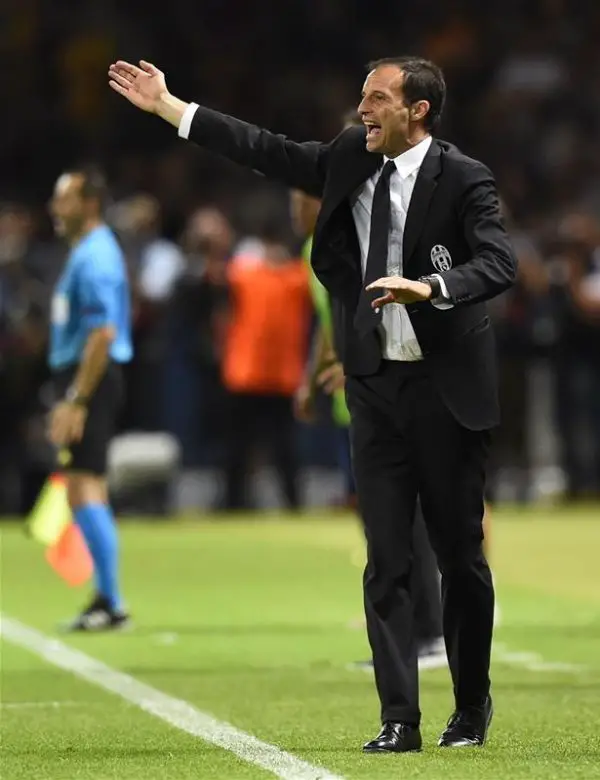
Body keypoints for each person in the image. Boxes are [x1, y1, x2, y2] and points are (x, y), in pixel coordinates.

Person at [108, 55, 517, 751]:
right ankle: (399, 719)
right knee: (386, 558)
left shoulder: (464, 177)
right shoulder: (350, 157)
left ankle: (470, 708)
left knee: (460, 558)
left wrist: (432, 289)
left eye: (378, 98)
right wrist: (171, 108)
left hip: (446, 389)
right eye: (363, 96)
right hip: (375, 386)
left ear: (417, 110)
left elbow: (499, 261)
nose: (363, 109)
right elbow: (263, 148)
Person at [291, 184, 445, 668]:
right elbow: (330, 320)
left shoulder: (358, 241)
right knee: (378, 517)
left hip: (385, 391)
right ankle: (402, 625)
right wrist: (312, 377)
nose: (296, 211)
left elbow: (385, 307)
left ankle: (428, 631)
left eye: (303, 200)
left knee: (402, 514)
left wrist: (359, 360)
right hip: (353, 401)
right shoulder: (313, 250)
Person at [48, 168, 133, 631]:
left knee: (86, 484)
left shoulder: (96, 254)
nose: (55, 208)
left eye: (64, 199)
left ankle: (112, 601)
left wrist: (77, 399)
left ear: (90, 204)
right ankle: (106, 597)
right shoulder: (86, 250)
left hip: (91, 378)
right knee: (82, 484)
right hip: (84, 376)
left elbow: (103, 333)